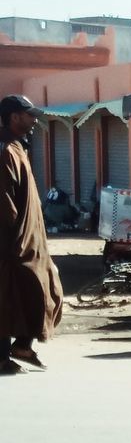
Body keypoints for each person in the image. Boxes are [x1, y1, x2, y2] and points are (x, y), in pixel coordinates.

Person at [0, 95, 64, 373]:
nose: (35, 120)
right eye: (30, 115)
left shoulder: (18, 148)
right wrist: (14, 241)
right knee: (11, 297)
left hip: (31, 242)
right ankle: (5, 356)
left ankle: (22, 345)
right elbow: (4, 200)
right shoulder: (5, 151)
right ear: (14, 117)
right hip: (14, 244)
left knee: (49, 287)